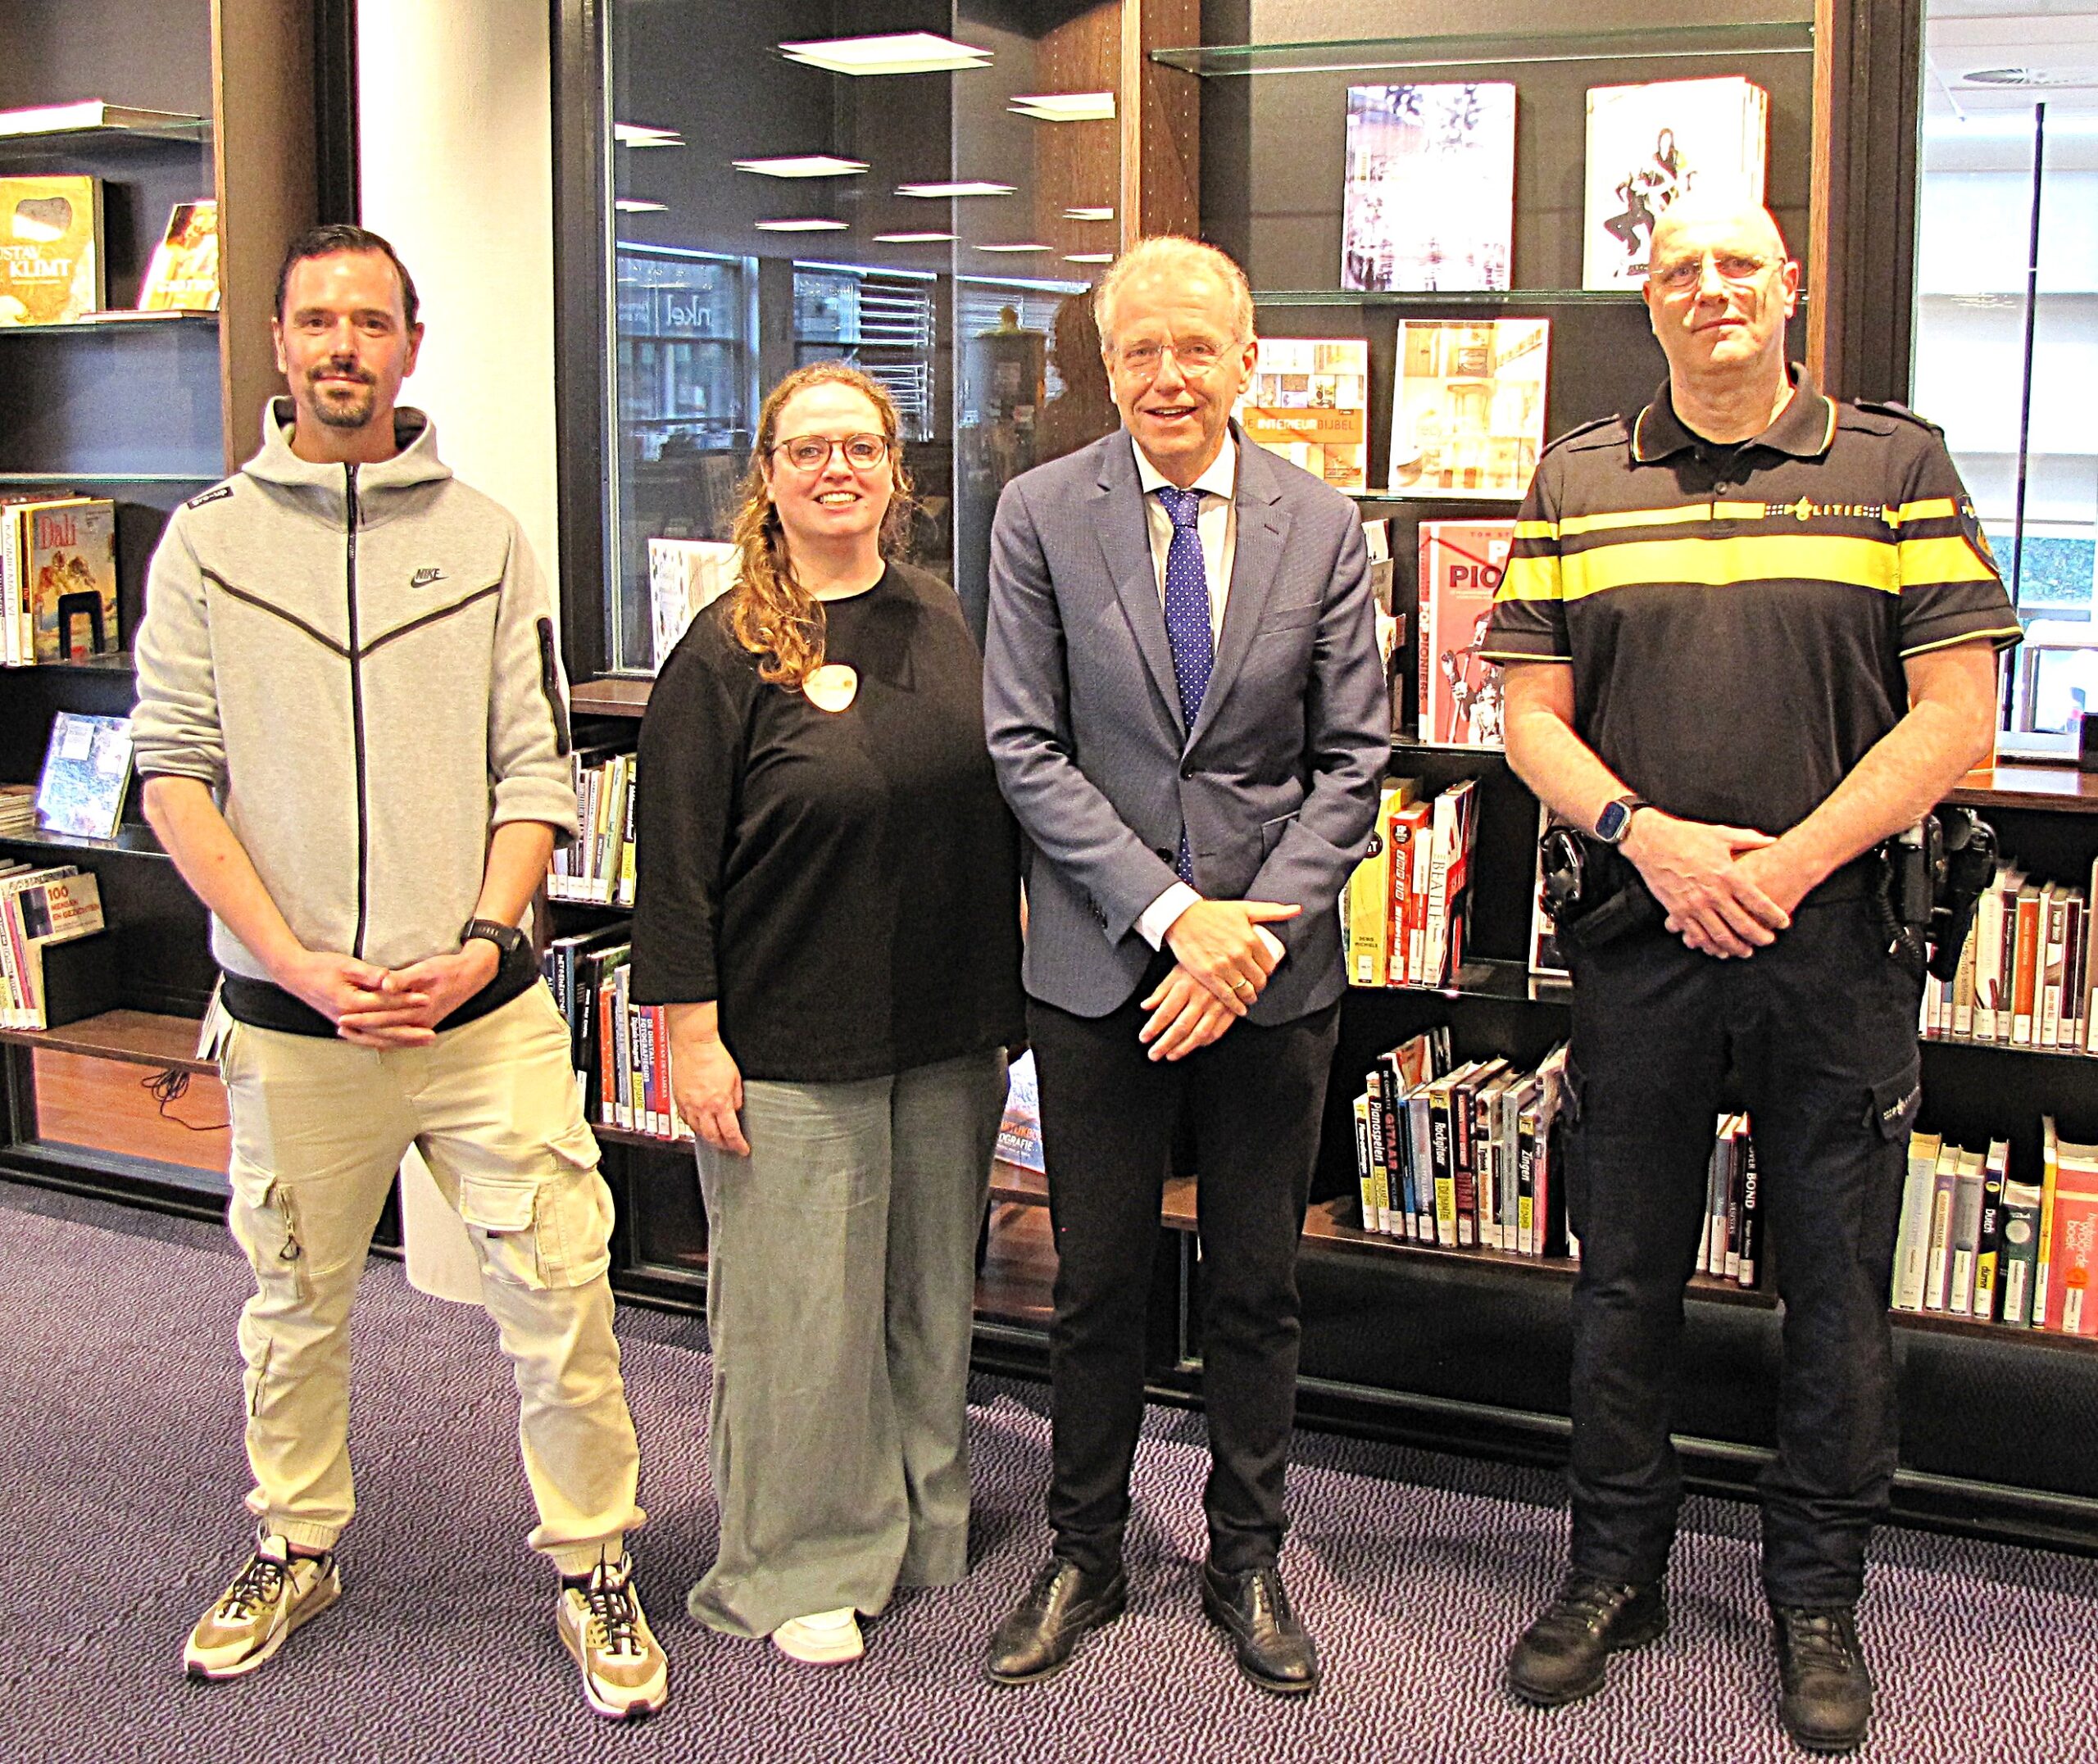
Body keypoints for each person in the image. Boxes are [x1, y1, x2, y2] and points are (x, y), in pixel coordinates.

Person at [1486, 200, 2019, 1754]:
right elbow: (1529, 717)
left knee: (1838, 1285)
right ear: (1646, 301)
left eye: (1737, 267)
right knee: (1623, 1269)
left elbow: (1953, 724)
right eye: (1676, 271)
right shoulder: (1581, 475)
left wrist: (1777, 866)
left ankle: (1815, 1592)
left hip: (1837, 943)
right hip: (1642, 941)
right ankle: (1612, 1570)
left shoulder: (1895, 465)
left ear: (1791, 287)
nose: (1708, 290)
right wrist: (1654, 845)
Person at [134, 224, 668, 1721]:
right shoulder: (208, 544)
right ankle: (296, 1545)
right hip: (290, 1019)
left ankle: (593, 1560)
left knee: (562, 1287)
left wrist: (486, 945)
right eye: (318, 323)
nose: (343, 348)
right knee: (293, 1300)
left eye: (371, 322)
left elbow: (533, 765)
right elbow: (176, 773)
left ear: (411, 346)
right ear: (284, 346)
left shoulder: (488, 535)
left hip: (475, 1014)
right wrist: (296, 961)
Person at [980, 236, 1388, 1696]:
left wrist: (1246, 932)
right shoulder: (1037, 513)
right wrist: (1171, 918)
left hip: (1272, 981)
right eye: (1138, 348)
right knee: (1092, 1282)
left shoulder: (1324, 523)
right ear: (1108, 362)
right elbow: (1025, 745)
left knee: (1257, 1284)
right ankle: (1083, 1546)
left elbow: (1353, 762)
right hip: (1102, 971)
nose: (1166, 373)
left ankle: (1247, 1555)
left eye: (1193, 347)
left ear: (1245, 360)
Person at [629, 362, 1024, 1668]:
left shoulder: (940, 616)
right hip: (790, 1039)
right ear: (771, 475)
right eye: (809, 450)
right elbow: (673, 864)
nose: (836, 468)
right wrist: (692, 1035)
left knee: (924, 1298)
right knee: (803, 1314)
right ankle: (794, 1558)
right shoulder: (727, 642)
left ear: (895, 470)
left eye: (861, 445)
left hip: (946, 1028)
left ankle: (915, 1521)